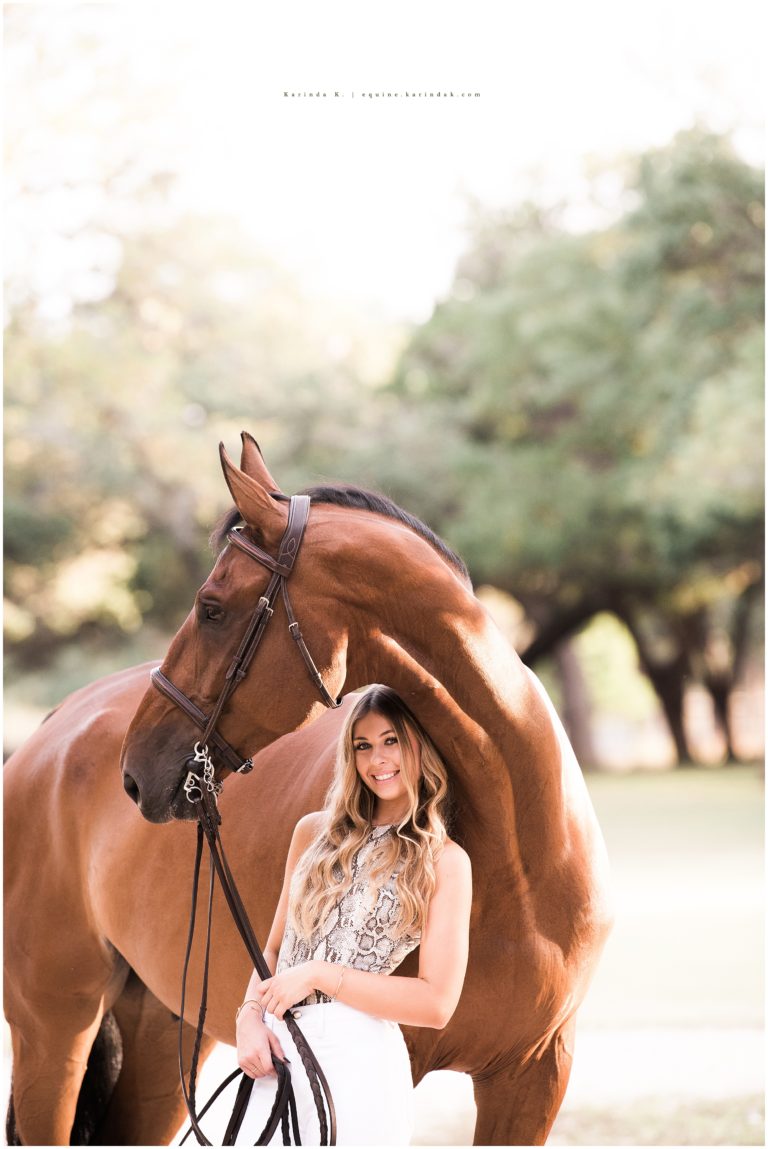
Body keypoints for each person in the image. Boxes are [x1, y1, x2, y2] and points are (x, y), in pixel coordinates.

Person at [231, 684, 473, 1146]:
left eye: (391, 741)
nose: (377, 760)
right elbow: (276, 948)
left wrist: (322, 975)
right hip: (277, 1045)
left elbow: (437, 1003)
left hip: (358, 1057)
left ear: (418, 745)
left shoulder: (444, 861)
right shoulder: (312, 834)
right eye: (363, 746)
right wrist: (248, 1018)